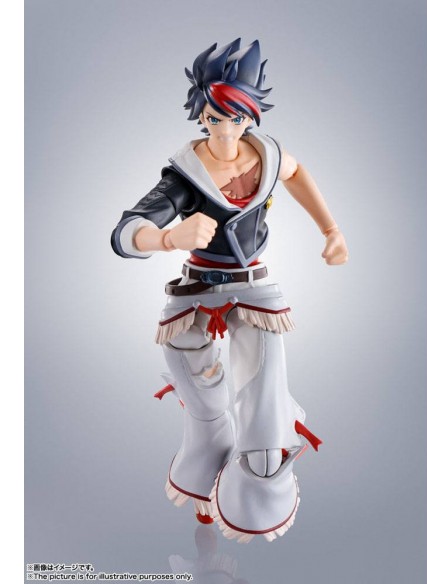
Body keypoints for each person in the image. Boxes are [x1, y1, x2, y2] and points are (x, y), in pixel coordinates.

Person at [111, 39, 348, 543]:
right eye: (215, 118)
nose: (225, 131)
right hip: (194, 290)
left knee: (264, 403)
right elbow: (128, 229)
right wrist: (167, 237)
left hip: (255, 290)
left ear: (250, 117)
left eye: (236, 119)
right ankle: (207, 465)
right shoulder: (185, 176)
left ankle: (261, 472)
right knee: (203, 401)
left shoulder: (268, 155)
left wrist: (331, 230)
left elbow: (296, 173)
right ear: (200, 113)